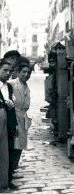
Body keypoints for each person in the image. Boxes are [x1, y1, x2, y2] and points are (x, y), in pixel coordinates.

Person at [8, 62, 32, 171]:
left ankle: (14, 165)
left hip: (22, 118)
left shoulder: (26, 86)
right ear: (18, 73)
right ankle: (10, 167)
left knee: (20, 143)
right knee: (13, 143)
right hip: (12, 117)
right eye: (24, 72)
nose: (26, 75)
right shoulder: (11, 84)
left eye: (29, 72)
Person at [0, 60, 17, 190]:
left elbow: (13, 103)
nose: (8, 73)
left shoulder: (9, 87)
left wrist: (10, 102)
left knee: (9, 151)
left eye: (10, 71)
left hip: (8, 123)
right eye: (5, 70)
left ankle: (7, 180)